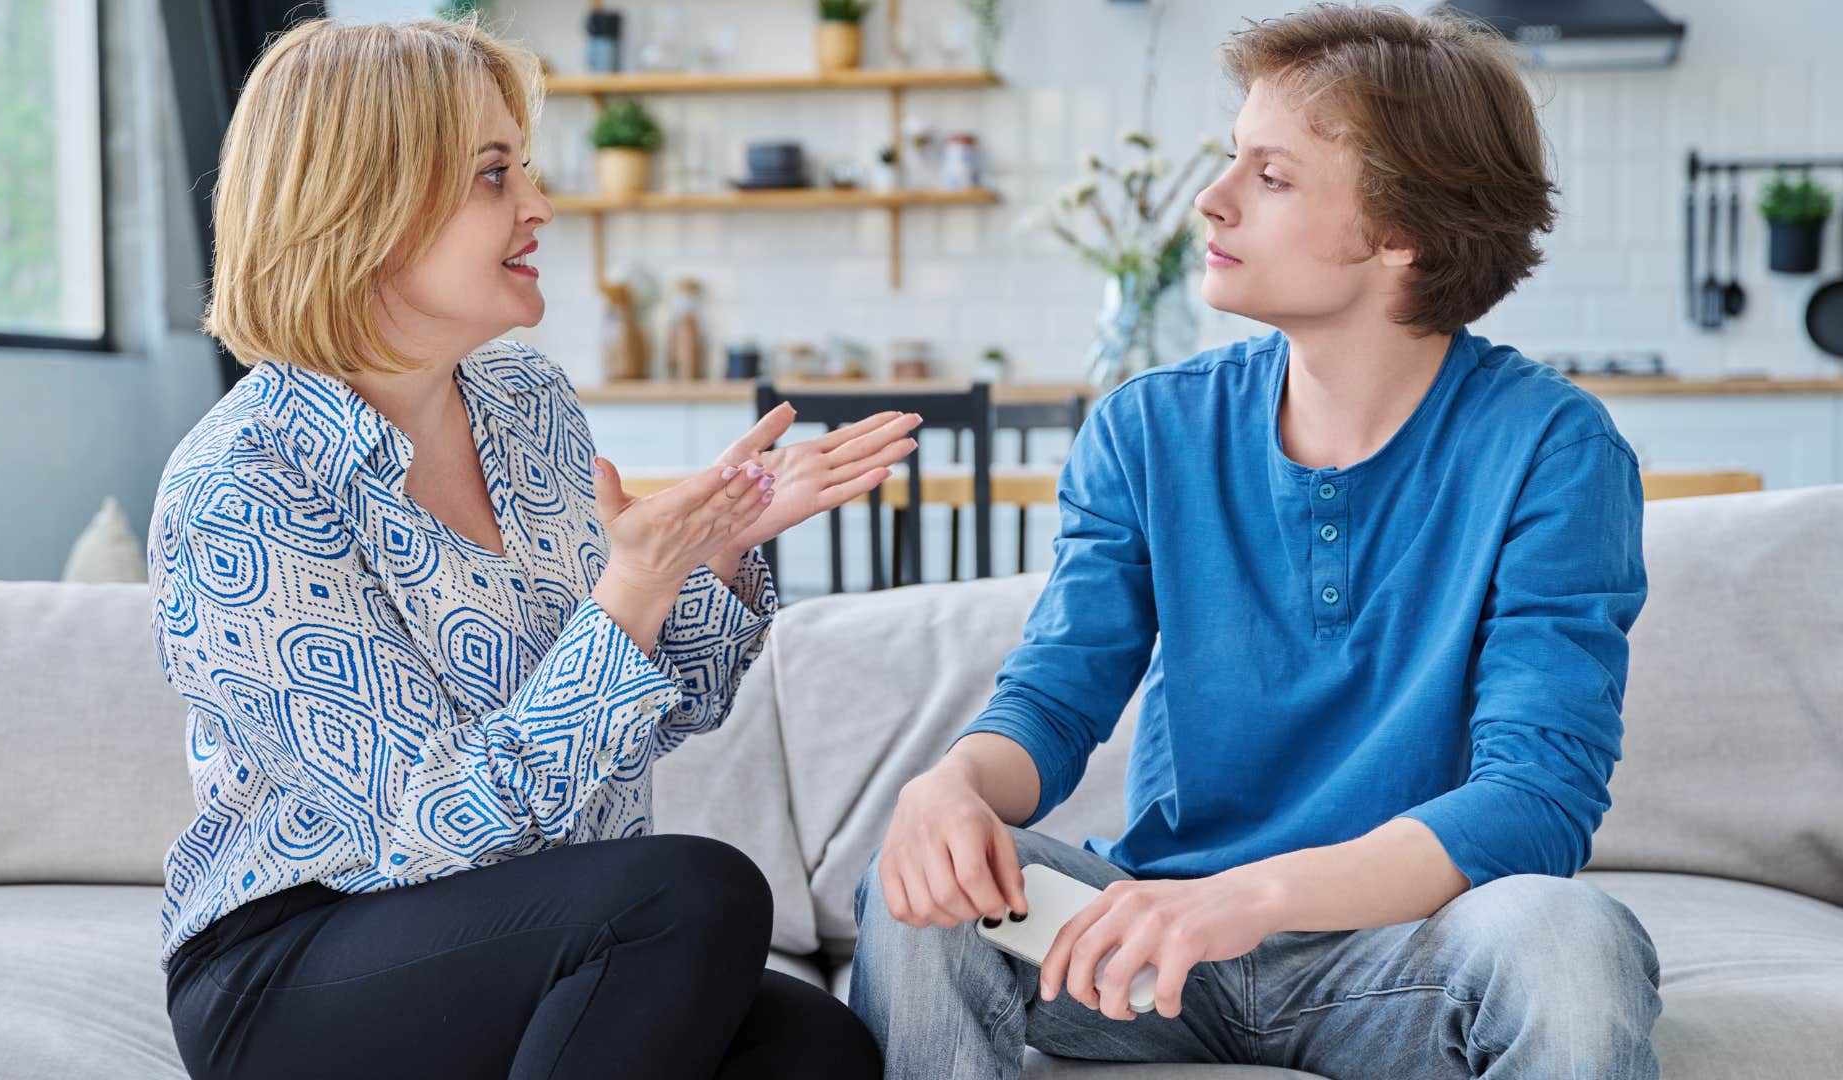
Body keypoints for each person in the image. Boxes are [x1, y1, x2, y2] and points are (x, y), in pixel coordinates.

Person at [849, 4, 1661, 1078]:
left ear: (1399, 231)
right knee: (927, 901)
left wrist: (1249, 900)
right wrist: (950, 784)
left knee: (1568, 938)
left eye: (1270, 177)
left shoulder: (1554, 449)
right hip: (1151, 952)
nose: (1212, 199)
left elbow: (1534, 802)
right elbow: (1055, 697)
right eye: (1233, 159)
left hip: (1396, 956)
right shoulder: (1148, 429)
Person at [150, 16, 912, 1079]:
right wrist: (633, 587)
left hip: (532, 937)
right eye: (495, 175)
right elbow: (429, 823)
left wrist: (713, 554)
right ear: (367, 202)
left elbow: (669, 709)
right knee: (690, 895)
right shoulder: (245, 481)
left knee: (819, 1049)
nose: (541, 206)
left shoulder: (529, 403)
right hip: (299, 961)